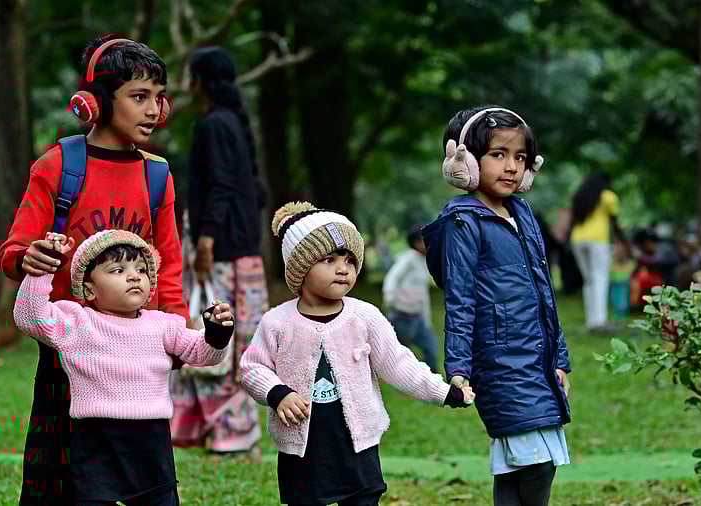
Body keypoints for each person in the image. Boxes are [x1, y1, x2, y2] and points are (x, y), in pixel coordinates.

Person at [0, 35, 189, 504]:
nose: (153, 110)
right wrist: (28, 257)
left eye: (159, 98)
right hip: (67, 353)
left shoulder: (157, 175)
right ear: (97, 102)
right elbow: (13, 249)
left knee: (150, 484)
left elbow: (168, 263)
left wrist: (177, 333)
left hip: (137, 354)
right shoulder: (58, 165)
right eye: (139, 96)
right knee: (56, 484)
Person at [241, 202, 474, 506]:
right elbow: (252, 367)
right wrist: (277, 393)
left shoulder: (364, 317)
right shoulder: (277, 322)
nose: (343, 269)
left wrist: (444, 392)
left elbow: (398, 363)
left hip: (357, 445)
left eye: (350, 260)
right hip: (303, 449)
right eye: (329, 259)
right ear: (300, 267)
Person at [14, 230, 232, 505]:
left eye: (141, 270)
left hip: (152, 443)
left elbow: (203, 354)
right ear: (89, 289)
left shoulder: (163, 325)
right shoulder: (78, 323)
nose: (133, 276)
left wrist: (216, 335)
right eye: (118, 270)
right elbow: (29, 316)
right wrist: (45, 268)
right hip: (95, 442)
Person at [424, 105, 571, 506]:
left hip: (536, 361)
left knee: (521, 466)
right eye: (497, 155)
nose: (511, 167)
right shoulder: (463, 222)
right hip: (499, 361)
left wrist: (559, 358)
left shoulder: (522, 213)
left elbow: (544, 293)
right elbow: (459, 300)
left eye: (520, 157)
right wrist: (458, 368)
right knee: (537, 463)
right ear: (466, 163)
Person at [170, 46, 268, 453]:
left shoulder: (213, 125)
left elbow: (221, 186)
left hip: (222, 252)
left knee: (216, 336)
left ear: (199, 81)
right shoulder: (233, 123)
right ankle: (227, 430)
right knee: (239, 340)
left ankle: (228, 432)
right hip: (243, 252)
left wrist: (206, 240)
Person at [569, 171, 625, 332]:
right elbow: (614, 222)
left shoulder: (579, 196)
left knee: (589, 281)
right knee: (600, 279)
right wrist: (624, 241)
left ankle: (591, 321)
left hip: (577, 239)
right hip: (598, 240)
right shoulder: (608, 196)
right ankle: (600, 322)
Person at [382, 224, 439, 372]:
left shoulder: (424, 261)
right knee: (404, 354)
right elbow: (392, 277)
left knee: (431, 345)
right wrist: (390, 299)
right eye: (425, 240)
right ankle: (407, 377)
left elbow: (423, 293)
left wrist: (427, 320)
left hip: (417, 316)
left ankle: (432, 376)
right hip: (402, 316)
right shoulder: (408, 258)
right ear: (416, 242)